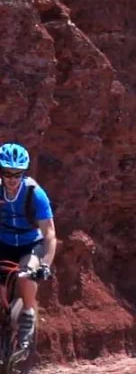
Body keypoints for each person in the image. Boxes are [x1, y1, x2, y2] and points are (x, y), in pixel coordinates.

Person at [0, 143, 56, 349]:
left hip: (30, 243)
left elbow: (49, 233)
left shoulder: (35, 193)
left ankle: (28, 313)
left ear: (23, 173)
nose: (12, 179)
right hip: (3, 241)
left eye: (17, 174)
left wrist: (46, 266)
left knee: (27, 273)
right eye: (7, 174)